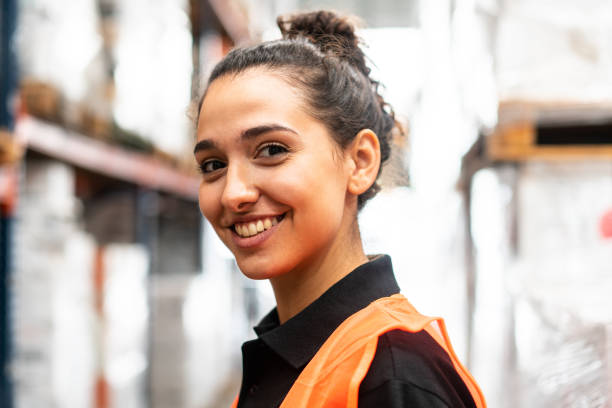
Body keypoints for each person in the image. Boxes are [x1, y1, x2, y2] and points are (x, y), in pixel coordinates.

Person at [194, 10, 486, 408]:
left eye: (272, 150)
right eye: (213, 165)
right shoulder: (293, 354)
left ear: (360, 161)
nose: (233, 193)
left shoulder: (391, 375)